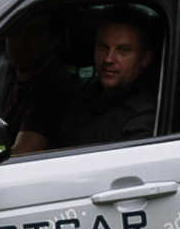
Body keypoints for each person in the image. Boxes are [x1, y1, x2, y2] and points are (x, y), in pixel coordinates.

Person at [15, 9, 162, 154]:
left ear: (145, 59)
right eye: (103, 47)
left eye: (123, 51)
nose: (109, 59)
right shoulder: (78, 94)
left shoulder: (147, 115)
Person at [0, 11, 73, 149]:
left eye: (33, 32)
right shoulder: (0, 74)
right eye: (15, 31)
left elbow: (23, 152)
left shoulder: (55, 87)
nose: (20, 41)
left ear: (53, 40)